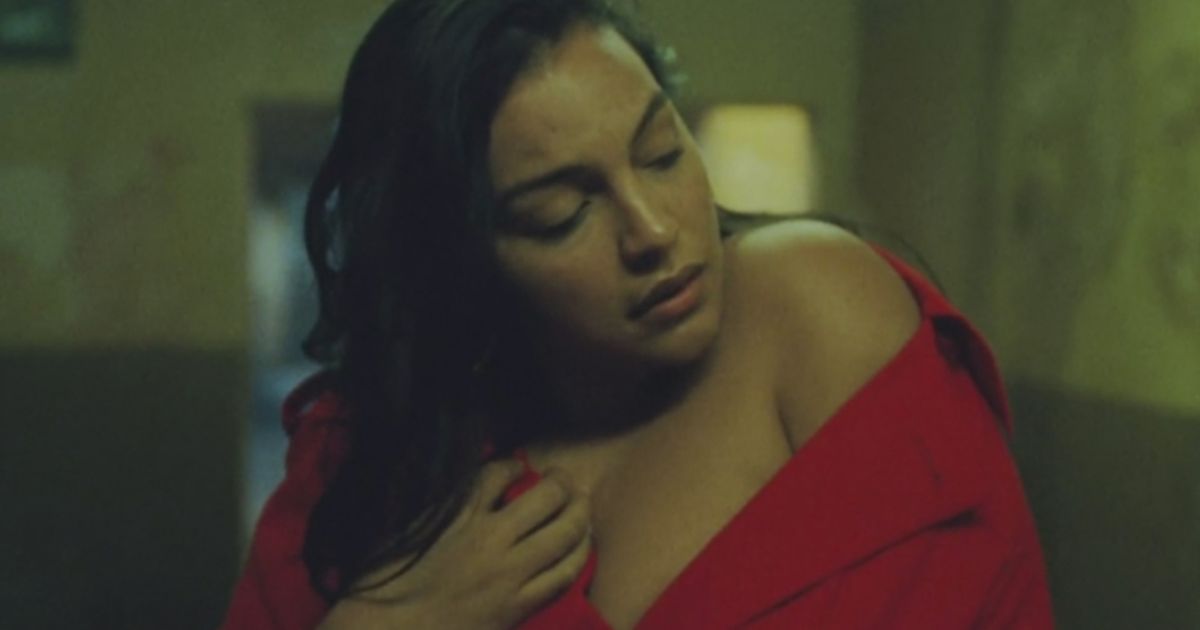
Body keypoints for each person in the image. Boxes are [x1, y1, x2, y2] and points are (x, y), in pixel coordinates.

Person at [223, 0, 1054, 628]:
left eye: (661, 153)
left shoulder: (811, 305)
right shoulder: (366, 457)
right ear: (462, 267)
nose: (654, 231)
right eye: (562, 215)